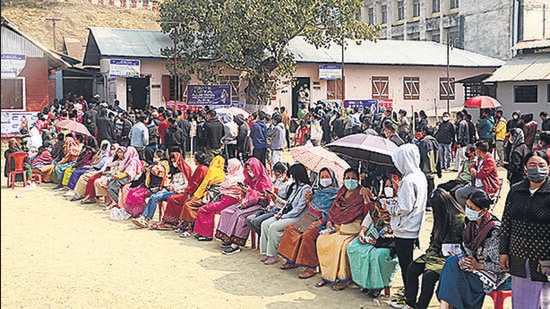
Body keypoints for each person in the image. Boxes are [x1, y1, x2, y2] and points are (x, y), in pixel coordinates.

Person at [393, 189, 465, 309]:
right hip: (434, 253)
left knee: (429, 276)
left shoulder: (459, 219)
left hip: (450, 257)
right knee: (412, 268)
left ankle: (421, 307)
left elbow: (459, 244)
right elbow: (433, 238)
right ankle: (410, 302)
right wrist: (431, 253)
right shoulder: (441, 216)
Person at [438, 190, 509, 309]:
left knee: (453, 277)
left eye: (473, 208)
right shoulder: (471, 224)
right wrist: (463, 259)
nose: (469, 210)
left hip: (491, 274)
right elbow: (468, 250)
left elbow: (501, 266)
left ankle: (445, 306)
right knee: (452, 262)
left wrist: (478, 265)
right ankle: (445, 305)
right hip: (473, 266)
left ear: (484, 210)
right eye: (468, 206)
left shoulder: (494, 231)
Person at [500, 150, 550, 309]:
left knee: (543, 302)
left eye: (542, 165)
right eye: (533, 165)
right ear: (525, 169)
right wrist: (503, 251)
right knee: (522, 302)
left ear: (548, 168)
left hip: (544, 261)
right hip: (519, 258)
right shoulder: (516, 190)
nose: (537, 169)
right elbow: (506, 221)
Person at [315, 168, 374, 290]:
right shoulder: (341, 191)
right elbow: (333, 208)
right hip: (337, 227)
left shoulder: (363, 192)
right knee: (322, 240)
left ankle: (343, 279)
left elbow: (369, 213)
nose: (350, 180)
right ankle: (327, 275)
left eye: (353, 178)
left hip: (352, 228)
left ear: (358, 180)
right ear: (343, 180)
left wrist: (366, 199)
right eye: (347, 178)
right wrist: (329, 222)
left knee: (341, 246)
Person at [277, 167, 339, 277]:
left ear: (332, 178)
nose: (324, 179)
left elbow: (332, 212)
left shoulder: (336, 195)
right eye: (322, 177)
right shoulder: (316, 191)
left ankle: (311, 267)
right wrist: (308, 199)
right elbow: (311, 207)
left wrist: (320, 221)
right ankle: (291, 260)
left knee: (308, 235)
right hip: (309, 217)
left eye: (327, 177)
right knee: (290, 229)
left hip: (323, 222)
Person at [386, 144, 427, 306]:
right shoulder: (420, 176)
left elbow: (404, 207)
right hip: (414, 225)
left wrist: (389, 206)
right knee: (408, 264)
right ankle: (409, 292)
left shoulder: (408, 181)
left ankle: (409, 297)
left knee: (406, 265)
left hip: (405, 229)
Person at [347, 177, 400, 298]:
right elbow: (369, 218)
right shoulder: (378, 202)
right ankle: (365, 282)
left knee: (377, 255)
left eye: (390, 186)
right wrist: (362, 231)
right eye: (386, 186)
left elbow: (397, 227)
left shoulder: (400, 204)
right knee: (353, 247)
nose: (388, 189)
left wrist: (380, 239)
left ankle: (378, 285)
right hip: (373, 233)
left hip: (390, 239)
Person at [216, 157, 273, 255]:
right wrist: (243, 190)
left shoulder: (264, 180)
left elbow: (265, 197)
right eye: (248, 170)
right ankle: (227, 238)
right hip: (246, 202)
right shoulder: (249, 179)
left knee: (240, 216)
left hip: (259, 205)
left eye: (252, 170)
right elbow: (246, 193)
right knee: (226, 211)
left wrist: (250, 192)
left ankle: (236, 244)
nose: (250, 172)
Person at [260, 163, 313, 265]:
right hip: (287, 213)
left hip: (297, 217)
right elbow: (288, 203)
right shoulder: (295, 187)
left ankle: (274, 255)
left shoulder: (306, 189)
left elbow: (298, 209)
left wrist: (284, 216)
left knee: (274, 227)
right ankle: (267, 252)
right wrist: (280, 213)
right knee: (265, 224)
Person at [131, 152, 192, 228]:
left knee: (155, 197)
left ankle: (147, 219)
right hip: (170, 189)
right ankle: (144, 217)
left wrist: (175, 188)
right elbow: (172, 182)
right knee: (153, 197)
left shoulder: (185, 170)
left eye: (174, 161)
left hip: (178, 192)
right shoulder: (174, 171)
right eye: (172, 161)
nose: (173, 163)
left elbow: (187, 184)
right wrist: (170, 186)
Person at [192, 158, 245, 241]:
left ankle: (207, 234)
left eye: (230, 166)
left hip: (229, 200)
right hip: (226, 199)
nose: (228, 168)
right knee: (206, 208)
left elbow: (223, 189)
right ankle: (202, 232)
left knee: (204, 209)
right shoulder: (237, 176)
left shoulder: (232, 178)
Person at [158, 152, 209, 229]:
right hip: (187, 190)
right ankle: (170, 221)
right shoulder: (201, 168)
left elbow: (194, 184)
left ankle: (172, 221)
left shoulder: (201, 169)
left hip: (193, 193)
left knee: (172, 198)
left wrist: (183, 191)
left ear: (196, 160)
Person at [177, 155, 225, 237]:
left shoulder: (212, 171)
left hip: (210, 198)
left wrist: (198, 196)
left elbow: (206, 187)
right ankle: (184, 226)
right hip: (209, 196)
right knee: (188, 202)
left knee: (189, 204)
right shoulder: (221, 173)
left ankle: (190, 228)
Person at [123, 149, 170, 218]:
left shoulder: (163, 165)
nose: (154, 158)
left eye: (156, 156)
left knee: (137, 195)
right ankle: (133, 212)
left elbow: (159, 173)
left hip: (156, 188)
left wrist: (151, 168)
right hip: (148, 186)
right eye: (154, 156)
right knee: (131, 191)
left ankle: (141, 212)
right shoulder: (152, 166)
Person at [246, 162, 290, 235]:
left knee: (257, 222)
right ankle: (264, 236)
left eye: (278, 175)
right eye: (275, 175)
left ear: (285, 172)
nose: (277, 177)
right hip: (272, 207)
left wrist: (275, 197)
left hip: (280, 210)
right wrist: (270, 196)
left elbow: (287, 203)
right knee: (249, 219)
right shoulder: (277, 182)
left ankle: (266, 236)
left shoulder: (289, 185)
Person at [455, 141, 501, 208]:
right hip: (475, 185)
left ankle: (474, 211)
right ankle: (467, 210)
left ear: (478, 150)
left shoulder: (489, 160)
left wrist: (474, 174)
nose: (475, 151)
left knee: (473, 198)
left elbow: (482, 175)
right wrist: (472, 169)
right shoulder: (480, 158)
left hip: (486, 187)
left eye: (476, 149)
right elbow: (472, 166)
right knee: (459, 193)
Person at [103, 146, 143, 211]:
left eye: (127, 152)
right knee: (110, 184)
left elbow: (129, 173)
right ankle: (116, 202)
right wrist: (115, 173)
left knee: (112, 186)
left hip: (130, 179)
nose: (126, 153)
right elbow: (121, 169)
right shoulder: (128, 160)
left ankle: (118, 203)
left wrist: (118, 177)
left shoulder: (134, 161)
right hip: (124, 177)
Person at [418, 126, 441, 209]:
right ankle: (429, 203)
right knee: (431, 186)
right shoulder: (435, 142)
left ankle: (426, 203)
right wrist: (439, 171)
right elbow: (439, 157)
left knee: (425, 187)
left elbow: (421, 157)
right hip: (432, 170)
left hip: (425, 170)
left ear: (424, 132)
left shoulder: (423, 142)